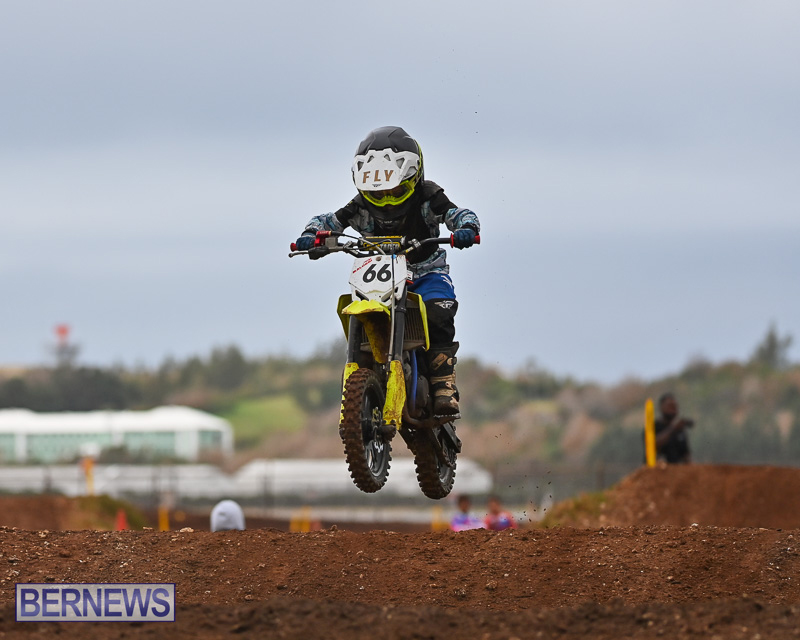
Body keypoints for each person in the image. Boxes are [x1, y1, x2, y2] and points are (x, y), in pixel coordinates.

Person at [294, 126, 480, 415]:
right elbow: (329, 220)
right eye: (377, 193)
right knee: (357, 308)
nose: (387, 200)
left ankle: (443, 382)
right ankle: (366, 371)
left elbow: (458, 214)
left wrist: (466, 228)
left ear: (412, 179)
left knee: (439, 310)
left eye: (395, 191)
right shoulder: (359, 207)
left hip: (426, 272)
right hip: (379, 275)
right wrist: (312, 235)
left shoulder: (429, 197)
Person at [654, 392, 694, 463]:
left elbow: (685, 454)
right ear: (661, 407)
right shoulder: (653, 427)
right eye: (670, 406)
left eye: (675, 406)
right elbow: (653, 445)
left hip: (676, 469)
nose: (673, 409)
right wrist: (673, 428)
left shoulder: (680, 430)